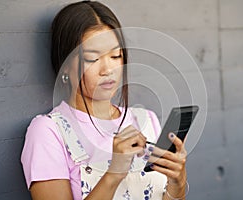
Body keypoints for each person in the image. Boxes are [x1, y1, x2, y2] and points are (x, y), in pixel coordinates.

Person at [21, 1, 187, 199]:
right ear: (65, 64)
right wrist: (114, 172)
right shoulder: (49, 131)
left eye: (116, 56)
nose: (108, 70)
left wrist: (178, 182)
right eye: (92, 59)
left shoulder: (147, 120)